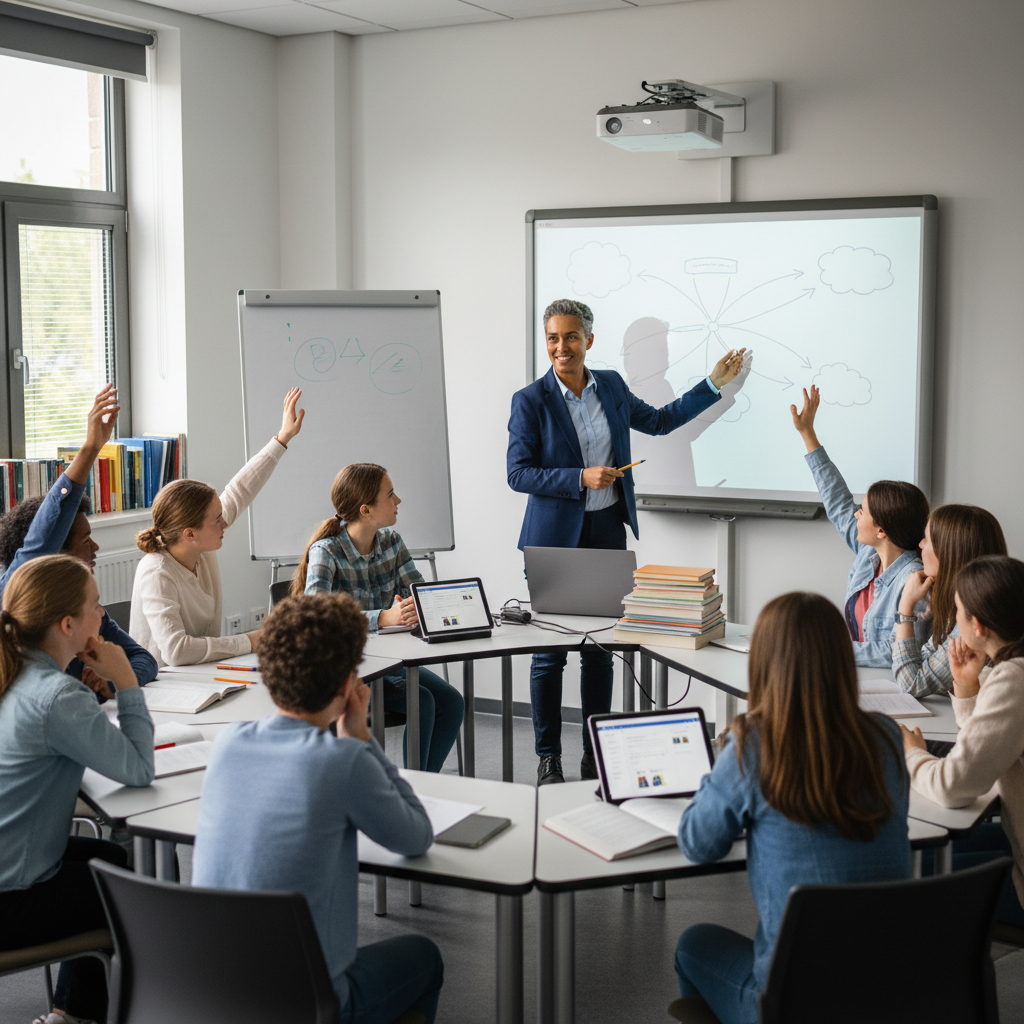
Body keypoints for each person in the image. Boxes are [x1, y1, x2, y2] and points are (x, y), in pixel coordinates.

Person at [507, 297, 746, 785]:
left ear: (589, 340)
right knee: (549, 654)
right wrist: (580, 477)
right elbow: (518, 473)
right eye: (552, 338)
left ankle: (594, 752)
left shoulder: (612, 385)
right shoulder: (530, 400)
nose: (561, 347)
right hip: (552, 542)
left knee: (600, 650)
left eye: (571, 337)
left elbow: (659, 421)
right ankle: (548, 757)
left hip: (605, 531)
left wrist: (713, 383)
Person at [192, 592, 443, 1024]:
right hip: (308, 1003)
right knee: (424, 958)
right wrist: (362, 739)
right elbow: (416, 836)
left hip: (213, 994)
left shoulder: (228, 743)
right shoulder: (342, 760)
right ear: (347, 684)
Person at [673, 592, 911, 1024]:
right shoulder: (886, 736)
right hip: (890, 991)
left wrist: (722, 762)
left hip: (791, 1003)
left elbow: (698, 843)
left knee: (692, 944)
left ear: (764, 664)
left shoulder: (752, 744)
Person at [0, 554, 155, 1024]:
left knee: (114, 859)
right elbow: (138, 769)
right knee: (130, 895)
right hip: (11, 897)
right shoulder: (58, 696)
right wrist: (125, 681)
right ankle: (81, 1016)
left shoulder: (14, 672)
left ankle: (69, 1012)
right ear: (67, 625)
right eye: (96, 604)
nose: (103, 614)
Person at [290, 464, 464, 773]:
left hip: (389, 662)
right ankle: (410, 788)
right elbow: (316, 618)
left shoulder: (392, 542)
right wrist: (383, 617)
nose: (398, 501)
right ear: (366, 510)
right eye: (390, 495)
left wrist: (416, 606)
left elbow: (419, 592)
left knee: (452, 702)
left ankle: (422, 783)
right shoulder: (326, 551)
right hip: (346, 671)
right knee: (422, 702)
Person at [129, 387, 304, 667]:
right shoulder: (157, 572)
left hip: (203, 674)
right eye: (217, 519)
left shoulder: (199, 546)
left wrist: (282, 438)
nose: (225, 522)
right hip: (163, 683)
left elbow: (240, 489)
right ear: (190, 534)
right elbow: (176, 652)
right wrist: (251, 640)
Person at [0, 385, 157, 695]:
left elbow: (143, 659)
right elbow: (45, 533)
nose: (95, 548)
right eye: (85, 541)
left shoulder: (83, 606)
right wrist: (91, 447)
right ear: (55, 555)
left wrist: (112, 681)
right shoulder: (13, 593)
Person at [902, 555, 1024, 928]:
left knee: (903, 871)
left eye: (957, 611)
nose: (954, 620)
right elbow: (991, 748)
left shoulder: (1014, 680)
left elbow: (953, 786)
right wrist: (968, 686)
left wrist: (913, 755)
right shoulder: (1012, 672)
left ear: (978, 625)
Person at [790, 384, 931, 667]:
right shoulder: (870, 554)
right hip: (857, 674)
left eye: (862, 512)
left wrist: (833, 650)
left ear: (882, 531)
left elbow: (901, 651)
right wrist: (808, 434)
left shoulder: (914, 580)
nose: (855, 515)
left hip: (892, 684)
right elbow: (837, 501)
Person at [892, 504, 1007, 695]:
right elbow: (924, 658)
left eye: (927, 540)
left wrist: (906, 606)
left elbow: (912, 683)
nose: (920, 545)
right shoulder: (961, 601)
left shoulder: (974, 620)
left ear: (948, 552)